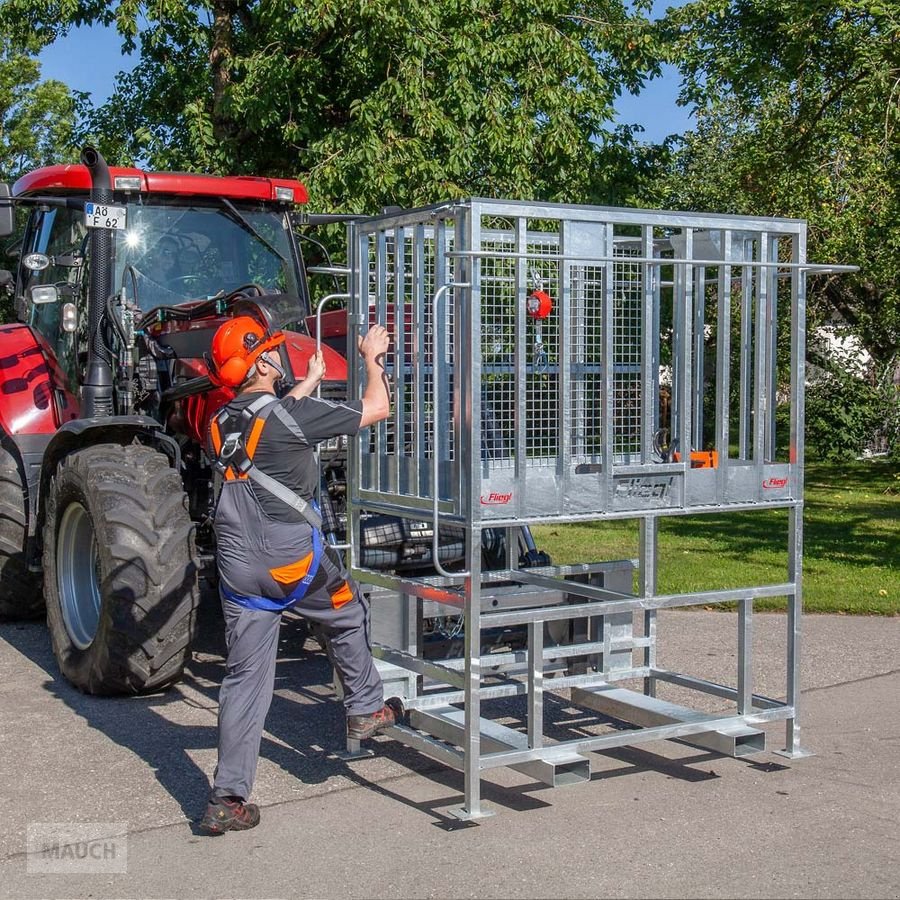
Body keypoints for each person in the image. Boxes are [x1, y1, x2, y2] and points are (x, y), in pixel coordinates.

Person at [199, 315, 400, 834]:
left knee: (245, 682)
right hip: (292, 564)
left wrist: (307, 383)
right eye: (273, 350)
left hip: (240, 575)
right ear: (263, 362)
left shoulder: (219, 421)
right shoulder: (293, 418)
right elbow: (378, 408)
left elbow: (267, 421)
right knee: (347, 609)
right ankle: (364, 707)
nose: (280, 356)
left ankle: (228, 798)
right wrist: (369, 357)